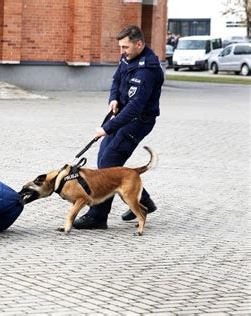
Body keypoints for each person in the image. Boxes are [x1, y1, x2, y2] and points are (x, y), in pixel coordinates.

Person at [74, 25, 163, 230]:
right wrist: (113, 98)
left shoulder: (148, 70)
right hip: (122, 116)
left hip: (138, 121)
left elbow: (135, 107)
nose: (122, 51)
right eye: (121, 47)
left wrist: (106, 128)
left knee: (109, 160)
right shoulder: (128, 58)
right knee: (104, 158)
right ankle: (144, 201)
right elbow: (116, 80)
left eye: (125, 47)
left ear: (139, 44)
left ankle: (97, 216)